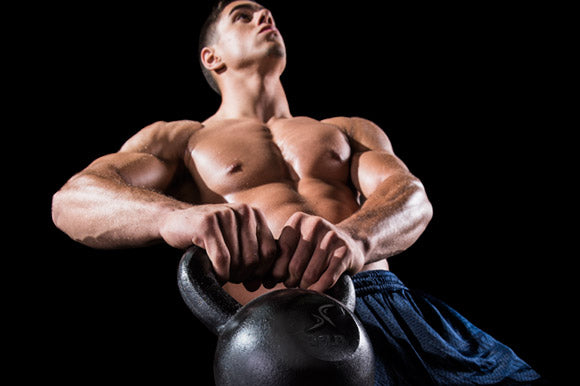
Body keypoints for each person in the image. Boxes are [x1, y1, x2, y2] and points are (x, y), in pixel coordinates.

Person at [51, 1, 542, 384]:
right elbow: (73, 200)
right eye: (243, 16)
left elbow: (409, 195)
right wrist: (176, 218)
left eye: (267, 13)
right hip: (289, 332)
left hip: (396, 303)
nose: (265, 17)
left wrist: (357, 239)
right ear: (211, 56)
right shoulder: (183, 139)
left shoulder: (346, 128)